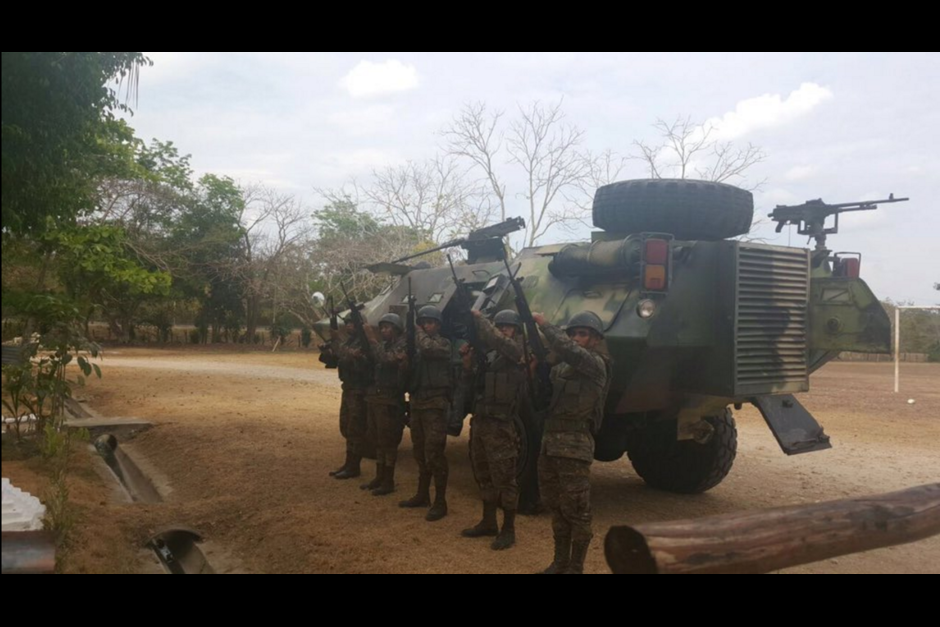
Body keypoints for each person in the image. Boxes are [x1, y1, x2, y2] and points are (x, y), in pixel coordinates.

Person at [532, 310, 612, 574]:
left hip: (574, 446)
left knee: (577, 510)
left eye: (583, 334)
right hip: (550, 442)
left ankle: (576, 567)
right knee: (555, 505)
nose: (577, 339)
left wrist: (545, 324)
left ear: (595, 339)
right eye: (574, 333)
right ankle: (559, 562)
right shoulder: (562, 367)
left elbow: (570, 351)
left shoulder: (595, 364)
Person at [460, 309, 526, 550]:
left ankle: (508, 529)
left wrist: (480, 318)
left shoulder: (518, 351)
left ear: (516, 330)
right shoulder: (489, 355)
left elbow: (499, 340)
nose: (503, 330)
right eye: (500, 326)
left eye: (508, 327)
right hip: (481, 422)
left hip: (501, 426)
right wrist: (468, 365)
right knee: (483, 474)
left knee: (505, 479)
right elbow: (470, 386)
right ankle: (488, 521)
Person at [399, 306, 453, 522]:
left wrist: (416, 331)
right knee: (420, 452)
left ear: (438, 325)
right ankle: (423, 495)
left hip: (435, 406)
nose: (426, 326)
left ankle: (440, 501)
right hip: (418, 403)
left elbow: (429, 349)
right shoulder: (418, 347)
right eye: (423, 322)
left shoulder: (443, 344)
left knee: (435, 453)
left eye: (430, 322)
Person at [360, 313, 407, 496]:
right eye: (382, 328)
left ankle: (388, 480)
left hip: (391, 400)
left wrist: (372, 339)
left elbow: (386, 359)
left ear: (396, 329)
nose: (384, 331)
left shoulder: (401, 346)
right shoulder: (386, 345)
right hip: (378, 398)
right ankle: (379, 477)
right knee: (378, 440)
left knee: (388, 442)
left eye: (388, 327)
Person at [329, 316, 372, 480]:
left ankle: (354, 466)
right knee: (346, 426)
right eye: (347, 323)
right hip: (348, 388)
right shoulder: (349, 342)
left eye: (352, 323)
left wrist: (337, 341)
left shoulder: (363, 343)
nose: (348, 326)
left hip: (358, 390)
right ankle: (348, 463)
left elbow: (347, 356)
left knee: (356, 428)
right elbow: (340, 355)